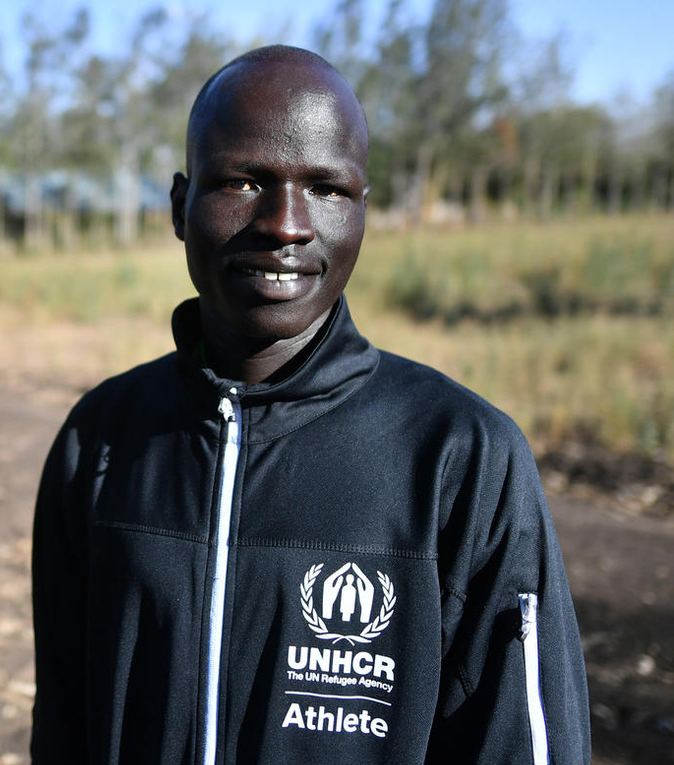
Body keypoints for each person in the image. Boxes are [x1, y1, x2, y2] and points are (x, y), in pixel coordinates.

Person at [30, 45, 590, 765]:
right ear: (179, 205)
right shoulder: (101, 440)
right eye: (242, 180)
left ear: (363, 209)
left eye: (327, 188)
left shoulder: (461, 456)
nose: (286, 224)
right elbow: (67, 723)